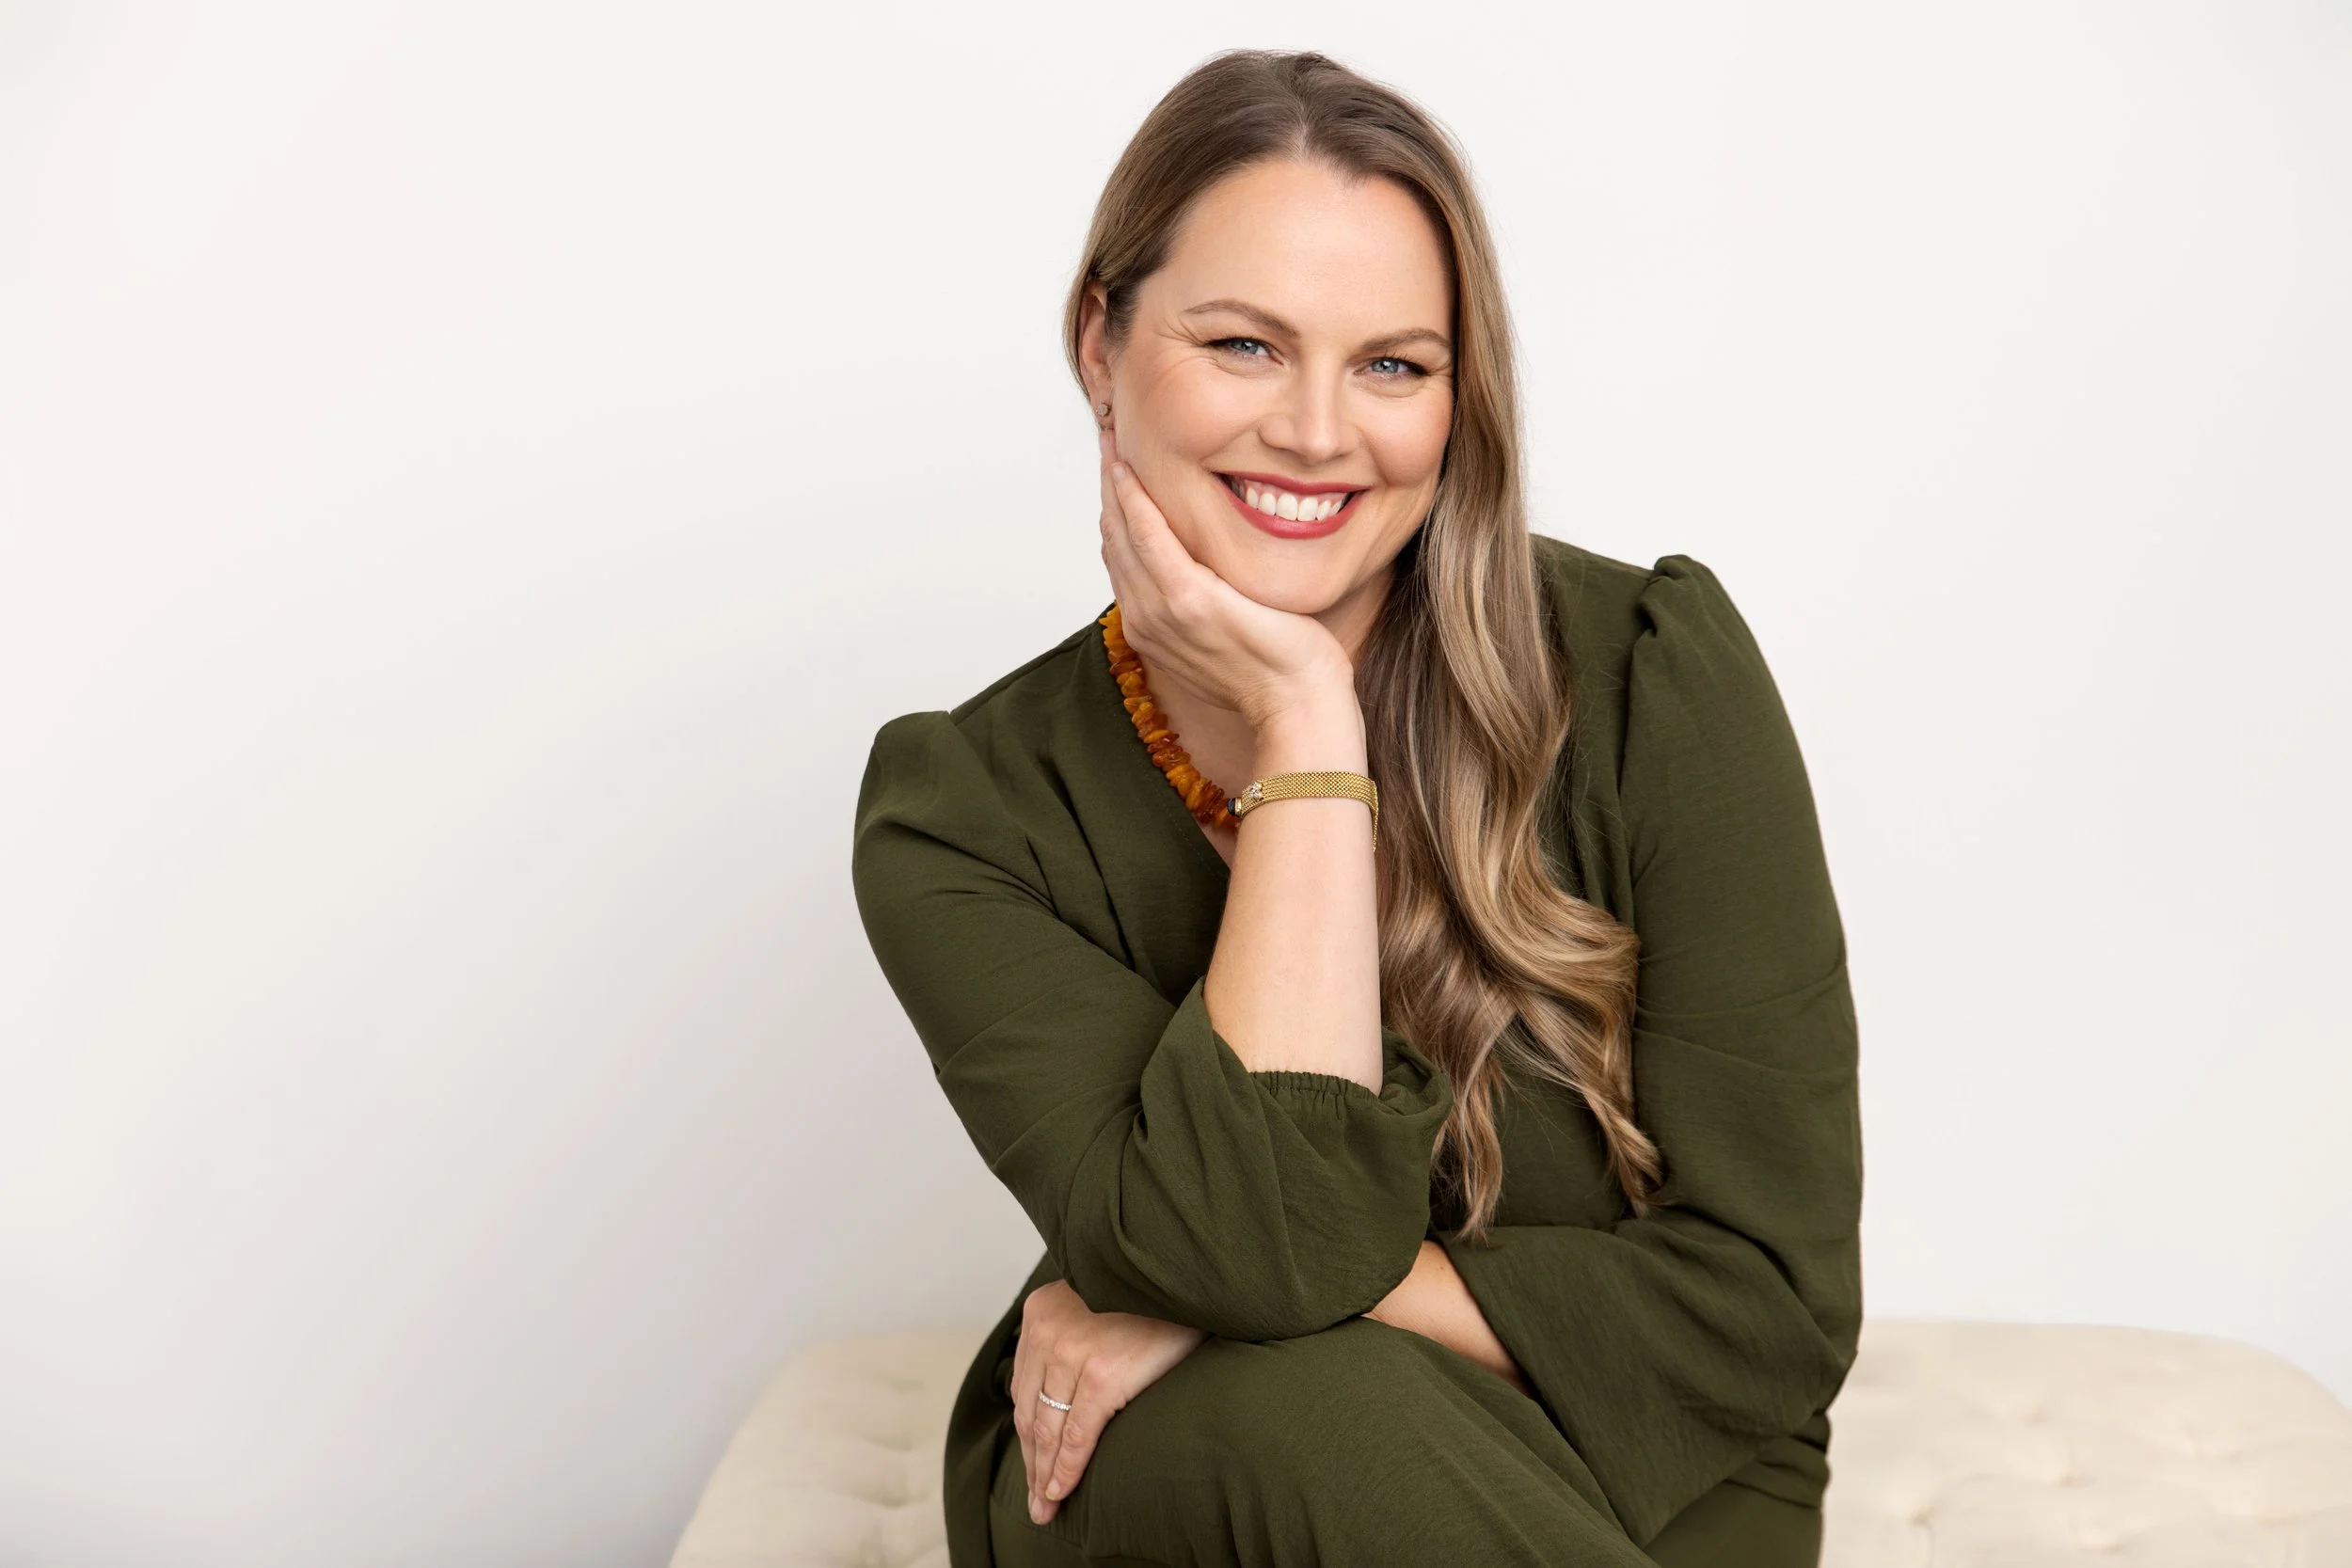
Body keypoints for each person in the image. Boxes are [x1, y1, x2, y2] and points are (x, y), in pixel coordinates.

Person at [850, 47, 1862, 1568]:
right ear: (1099, 341)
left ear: (1462, 397)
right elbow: (1256, 1236)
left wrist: (1223, 1309)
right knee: (1279, 1411)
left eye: (1394, 364)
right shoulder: (964, 813)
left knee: (1283, 1376)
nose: (1320, 433)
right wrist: (1307, 729)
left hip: (1641, 1461)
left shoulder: (1654, 678)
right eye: (1247, 344)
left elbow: (1771, 1304)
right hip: (1185, 1469)